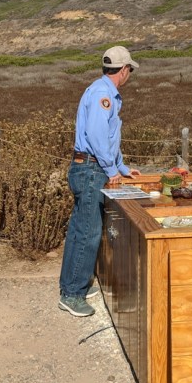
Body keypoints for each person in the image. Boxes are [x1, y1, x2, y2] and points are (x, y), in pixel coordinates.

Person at [58, 45, 141, 318]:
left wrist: (121, 167)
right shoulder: (103, 94)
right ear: (124, 70)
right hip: (92, 170)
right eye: (130, 70)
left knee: (81, 228)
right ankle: (72, 293)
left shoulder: (104, 92)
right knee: (88, 232)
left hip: (92, 167)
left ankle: (75, 284)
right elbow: (96, 136)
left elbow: (107, 138)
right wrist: (110, 168)